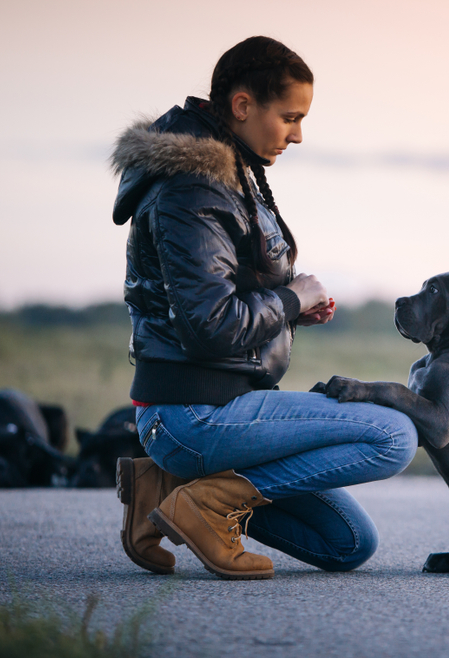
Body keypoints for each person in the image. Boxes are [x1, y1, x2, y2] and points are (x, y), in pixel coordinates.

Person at [109, 36, 418, 580]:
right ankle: (206, 502)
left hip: (219, 407)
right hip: (195, 414)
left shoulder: (233, 170)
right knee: (393, 435)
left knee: (347, 544)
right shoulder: (193, 189)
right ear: (243, 106)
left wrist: (291, 308)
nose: (298, 135)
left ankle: (170, 487)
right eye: (290, 117)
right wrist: (291, 297)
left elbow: (220, 295)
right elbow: (209, 327)